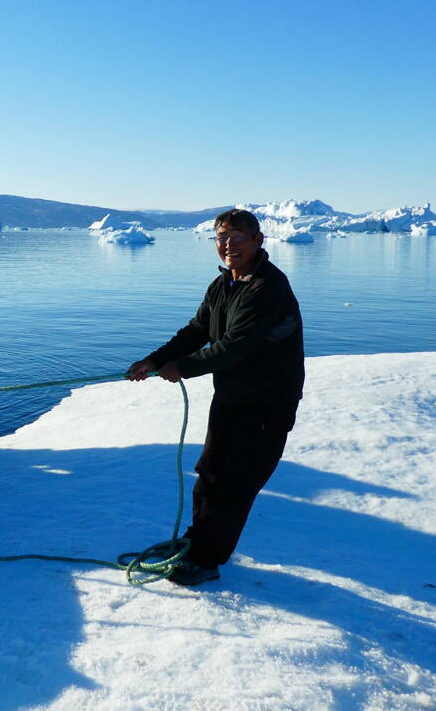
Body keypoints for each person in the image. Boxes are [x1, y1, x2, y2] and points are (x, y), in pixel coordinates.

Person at [126, 208, 304, 586]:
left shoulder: (267, 287)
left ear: (258, 241)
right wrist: (156, 359)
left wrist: (181, 368)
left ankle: (207, 559)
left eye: (237, 238)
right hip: (233, 398)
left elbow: (232, 348)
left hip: (267, 405)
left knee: (236, 483)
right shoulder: (223, 285)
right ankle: (198, 543)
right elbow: (197, 330)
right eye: (222, 237)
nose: (228, 245)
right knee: (210, 473)